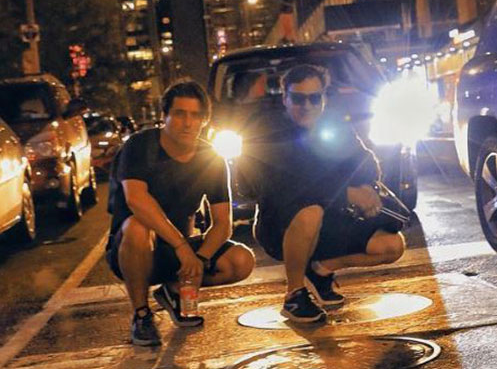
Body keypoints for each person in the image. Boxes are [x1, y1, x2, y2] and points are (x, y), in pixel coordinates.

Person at [240, 64, 405, 324]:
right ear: (284, 98)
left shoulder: (334, 126)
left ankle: (320, 270)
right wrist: (346, 193)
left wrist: (363, 188)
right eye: (298, 98)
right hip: (280, 226)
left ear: (323, 99)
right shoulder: (266, 129)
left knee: (392, 246)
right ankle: (294, 295)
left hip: (332, 221)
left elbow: (367, 166)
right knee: (310, 212)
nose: (307, 105)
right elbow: (282, 187)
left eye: (314, 98)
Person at [106, 79, 255, 346]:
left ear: (204, 120)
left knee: (241, 260)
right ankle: (142, 315)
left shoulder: (211, 158)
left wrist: (200, 259)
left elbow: (223, 223)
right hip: (133, 250)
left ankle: (173, 291)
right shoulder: (140, 146)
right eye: (179, 114)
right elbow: (136, 200)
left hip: (180, 252)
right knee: (138, 227)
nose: (187, 123)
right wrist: (181, 247)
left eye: (195, 115)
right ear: (164, 115)